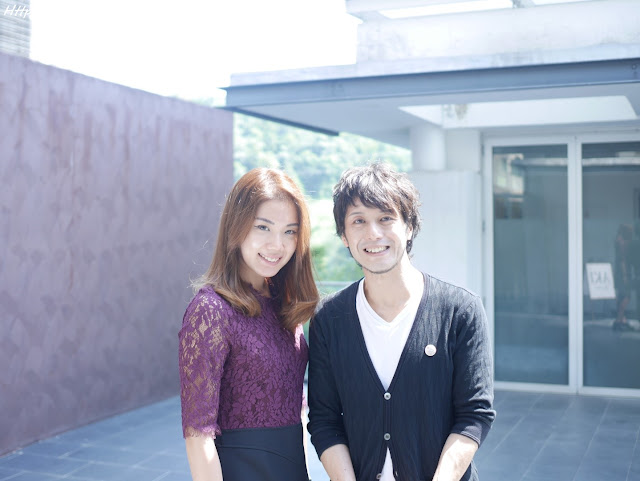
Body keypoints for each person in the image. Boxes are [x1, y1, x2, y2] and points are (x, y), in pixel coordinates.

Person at [308, 162, 495, 481]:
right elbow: (325, 420)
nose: (373, 233)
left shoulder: (460, 310)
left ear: (409, 226)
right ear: (344, 236)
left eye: (385, 218)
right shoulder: (329, 318)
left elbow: (474, 415)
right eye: (358, 221)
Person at [178, 168, 319, 481]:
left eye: (290, 232)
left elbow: (296, 408)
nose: (277, 245)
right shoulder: (210, 311)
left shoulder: (284, 304)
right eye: (263, 227)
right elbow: (198, 435)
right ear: (236, 226)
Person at [613, 223, 634, 331]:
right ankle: (618, 320)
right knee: (627, 296)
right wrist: (625, 275)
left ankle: (622, 319)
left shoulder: (618, 242)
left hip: (618, 274)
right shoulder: (623, 244)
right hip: (623, 274)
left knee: (621, 296)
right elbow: (623, 261)